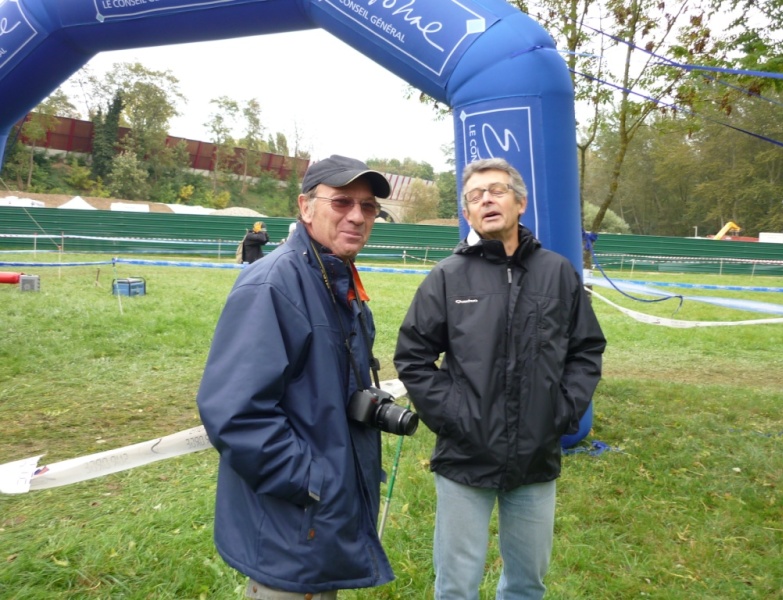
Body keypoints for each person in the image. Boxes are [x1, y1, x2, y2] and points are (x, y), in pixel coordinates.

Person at [394, 157, 607, 600]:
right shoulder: (447, 277)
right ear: (468, 214)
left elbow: (586, 350)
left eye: (496, 190)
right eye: (475, 196)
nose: (486, 199)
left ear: (520, 202)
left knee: (528, 584)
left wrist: (562, 411)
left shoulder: (558, 273)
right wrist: (454, 415)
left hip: (535, 459)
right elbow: (413, 356)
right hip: (464, 459)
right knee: (456, 586)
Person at [197, 155, 395, 599]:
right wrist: (312, 481)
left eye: (368, 207)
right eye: (342, 201)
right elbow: (235, 412)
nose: (357, 216)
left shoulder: (333, 277)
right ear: (306, 207)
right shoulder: (275, 284)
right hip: (295, 522)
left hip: (320, 520)